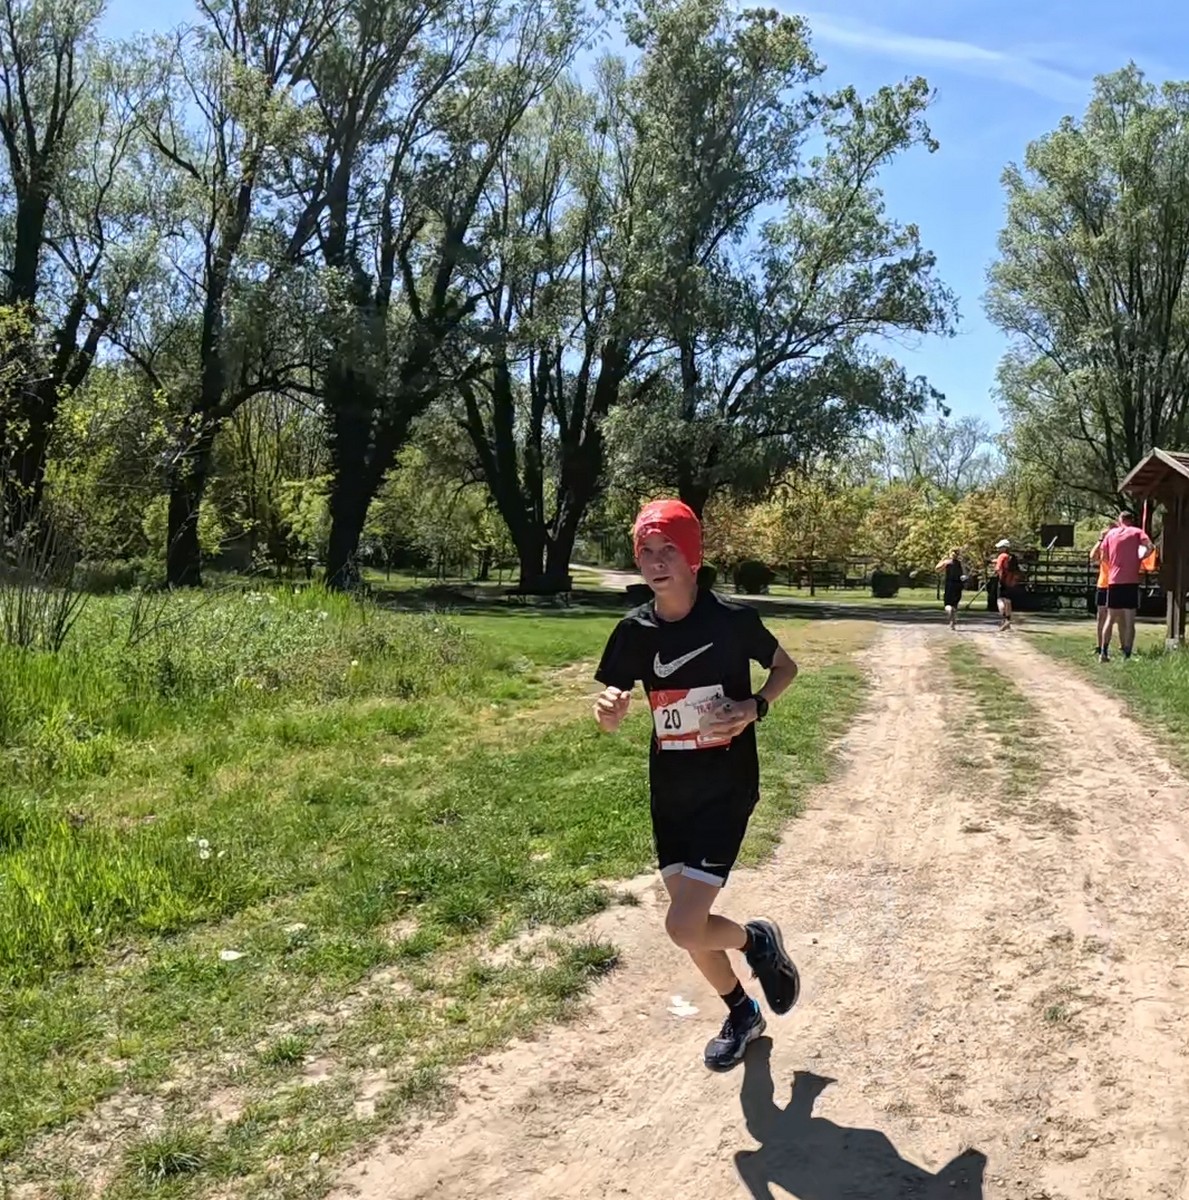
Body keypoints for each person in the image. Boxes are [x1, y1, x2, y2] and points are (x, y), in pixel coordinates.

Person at [593, 498, 802, 1071]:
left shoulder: (731, 621)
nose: (657, 562)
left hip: (726, 787)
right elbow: (610, 710)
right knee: (691, 930)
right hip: (671, 792)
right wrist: (608, 713)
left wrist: (755, 706)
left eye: (669, 550)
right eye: (646, 551)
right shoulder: (633, 631)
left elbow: (785, 668)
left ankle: (755, 942)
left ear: (692, 556)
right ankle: (743, 1010)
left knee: (683, 924)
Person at [1099, 511, 1155, 661]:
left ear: (1120, 520)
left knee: (1110, 618)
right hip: (1130, 580)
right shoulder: (1137, 532)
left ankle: (1103, 651)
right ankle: (1127, 654)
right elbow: (1150, 547)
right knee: (1130, 619)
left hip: (1114, 580)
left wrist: (1112, 563)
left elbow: (1103, 555)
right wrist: (1140, 558)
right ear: (1131, 520)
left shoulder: (1110, 534)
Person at [1089, 528, 1112, 661]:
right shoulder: (1102, 547)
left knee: (1117, 617)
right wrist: (1100, 540)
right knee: (1101, 617)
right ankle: (1100, 646)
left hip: (1116, 583)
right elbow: (1092, 556)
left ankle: (1121, 646)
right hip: (1103, 584)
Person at [993, 540, 1023, 632]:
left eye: (1000, 547)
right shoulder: (1012, 557)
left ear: (1004, 548)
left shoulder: (1002, 556)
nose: (998, 549)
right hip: (1011, 582)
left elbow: (998, 568)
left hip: (1002, 581)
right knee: (1008, 601)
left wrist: (996, 572)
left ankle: (1004, 618)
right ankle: (1008, 620)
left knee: (1000, 600)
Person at [935, 549, 965, 630]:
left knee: (947, 604)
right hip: (958, 585)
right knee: (955, 604)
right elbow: (964, 575)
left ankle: (951, 618)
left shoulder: (947, 562)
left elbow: (937, 569)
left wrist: (943, 561)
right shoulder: (960, 563)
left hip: (950, 585)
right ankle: (953, 621)